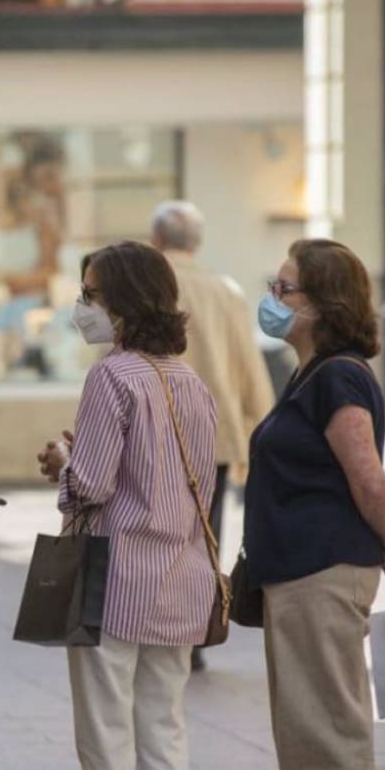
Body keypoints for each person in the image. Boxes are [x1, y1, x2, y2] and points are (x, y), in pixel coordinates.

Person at [37, 241, 217, 770]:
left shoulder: (112, 375)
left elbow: (90, 484)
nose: (82, 307)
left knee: (106, 740)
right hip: (181, 579)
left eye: (92, 294)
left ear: (126, 301)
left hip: (110, 581)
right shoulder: (191, 383)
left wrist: (63, 465)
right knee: (163, 737)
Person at [243, 238, 385, 770]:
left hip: (323, 573)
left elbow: (366, 475)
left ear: (323, 304)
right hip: (301, 574)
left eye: (285, 289)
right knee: (308, 733)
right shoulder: (312, 374)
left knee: (326, 733)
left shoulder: (337, 376)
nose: (273, 299)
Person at [149, 201, 275, 671]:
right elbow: (248, 364)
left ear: (157, 240)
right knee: (207, 535)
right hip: (215, 434)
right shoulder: (225, 290)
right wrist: (258, 425)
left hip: (159, 430)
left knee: (159, 531)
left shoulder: (152, 286)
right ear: (195, 243)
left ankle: (163, 626)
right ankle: (198, 631)